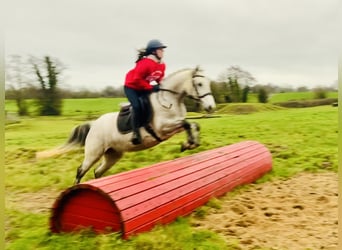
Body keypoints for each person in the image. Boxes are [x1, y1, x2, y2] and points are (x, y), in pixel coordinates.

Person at [124, 39, 167, 145]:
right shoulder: (145, 63)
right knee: (137, 106)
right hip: (131, 87)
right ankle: (135, 133)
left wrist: (162, 87)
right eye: (160, 49)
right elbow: (136, 80)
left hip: (142, 87)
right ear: (153, 52)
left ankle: (150, 125)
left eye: (162, 49)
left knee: (151, 103)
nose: (163, 51)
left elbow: (159, 78)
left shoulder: (162, 65)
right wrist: (150, 88)